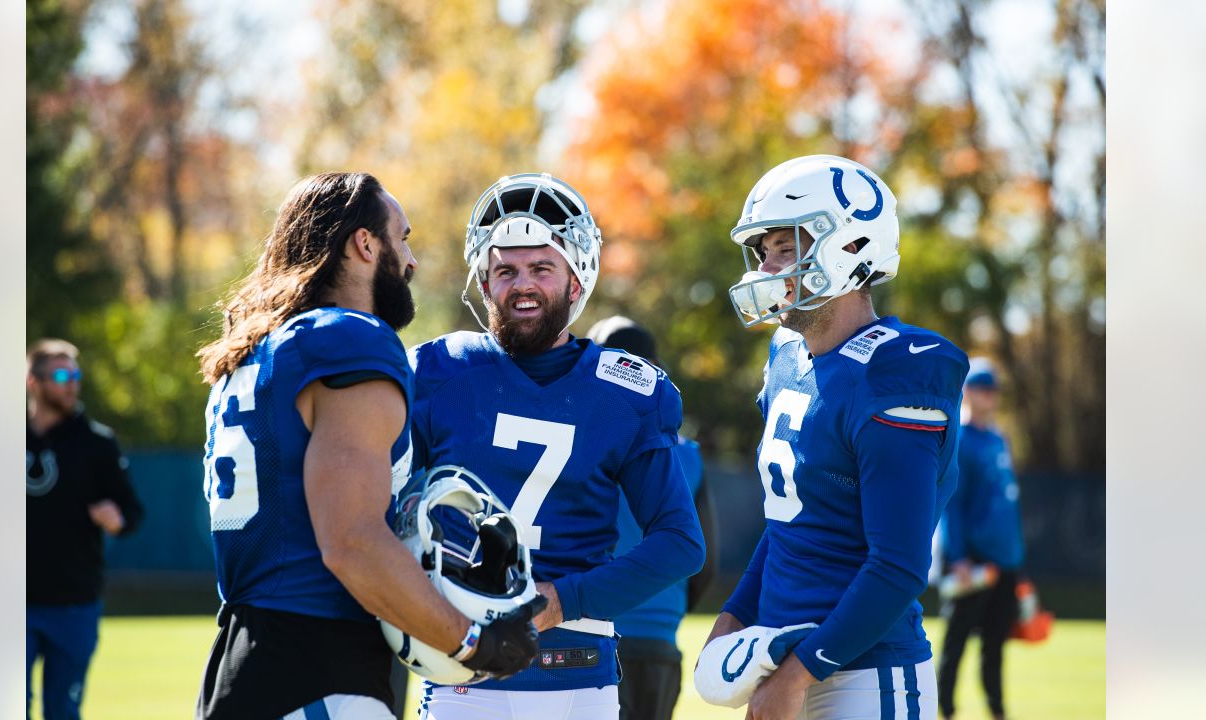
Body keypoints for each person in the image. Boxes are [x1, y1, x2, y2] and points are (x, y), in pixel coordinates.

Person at [193, 172, 544, 720]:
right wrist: (472, 641)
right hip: (317, 669)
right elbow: (352, 540)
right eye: (402, 238)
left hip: (241, 662)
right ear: (365, 243)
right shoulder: (350, 338)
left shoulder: (257, 354)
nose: (411, 260)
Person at [407, 173, 706, 720]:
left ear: (576, 278)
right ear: (484, 281)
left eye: (541, 268)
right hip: (461, 674)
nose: (522, 285)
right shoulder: (438, 372)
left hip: (578, 676)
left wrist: (563, 600)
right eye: (505, 271)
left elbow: (681, 544)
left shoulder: (625, 392)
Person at [697, 155, 969, 720]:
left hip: (864, 676)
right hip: (782, 664)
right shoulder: (787, 359)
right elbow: (791, 524)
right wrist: (735, 618)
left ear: (849, 248)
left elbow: (899, 563)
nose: (767, 268)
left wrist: (798, 677)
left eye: (786, 248)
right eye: (764, 250)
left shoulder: (897, 372)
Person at [584, 315, 718, 720]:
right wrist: (662, 609)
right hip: (659, 643)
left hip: (589, 635)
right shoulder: (687, 454)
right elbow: (705, 562)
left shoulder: (583, 439)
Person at [27, 338, 145, 720]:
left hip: (74, 603)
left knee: (63, 710)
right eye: (61, 375)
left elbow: (133, 511)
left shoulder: (97, 443)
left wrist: (118, 517)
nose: (71, 383)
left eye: (75, 374)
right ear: (33, 381)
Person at [936, 359, 1025, 720]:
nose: (991, 396)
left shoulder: (998, 438)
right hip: (972, 561)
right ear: (967, 391)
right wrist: (956, 556)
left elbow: (1008, 504)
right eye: (984, 388)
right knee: (956, 643)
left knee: (995, 646)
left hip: (1005, 562)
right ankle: (946, 710)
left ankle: (998, 712)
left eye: (994, 390)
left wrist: (1018, 562)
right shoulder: (960, 439)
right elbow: (951, 505)